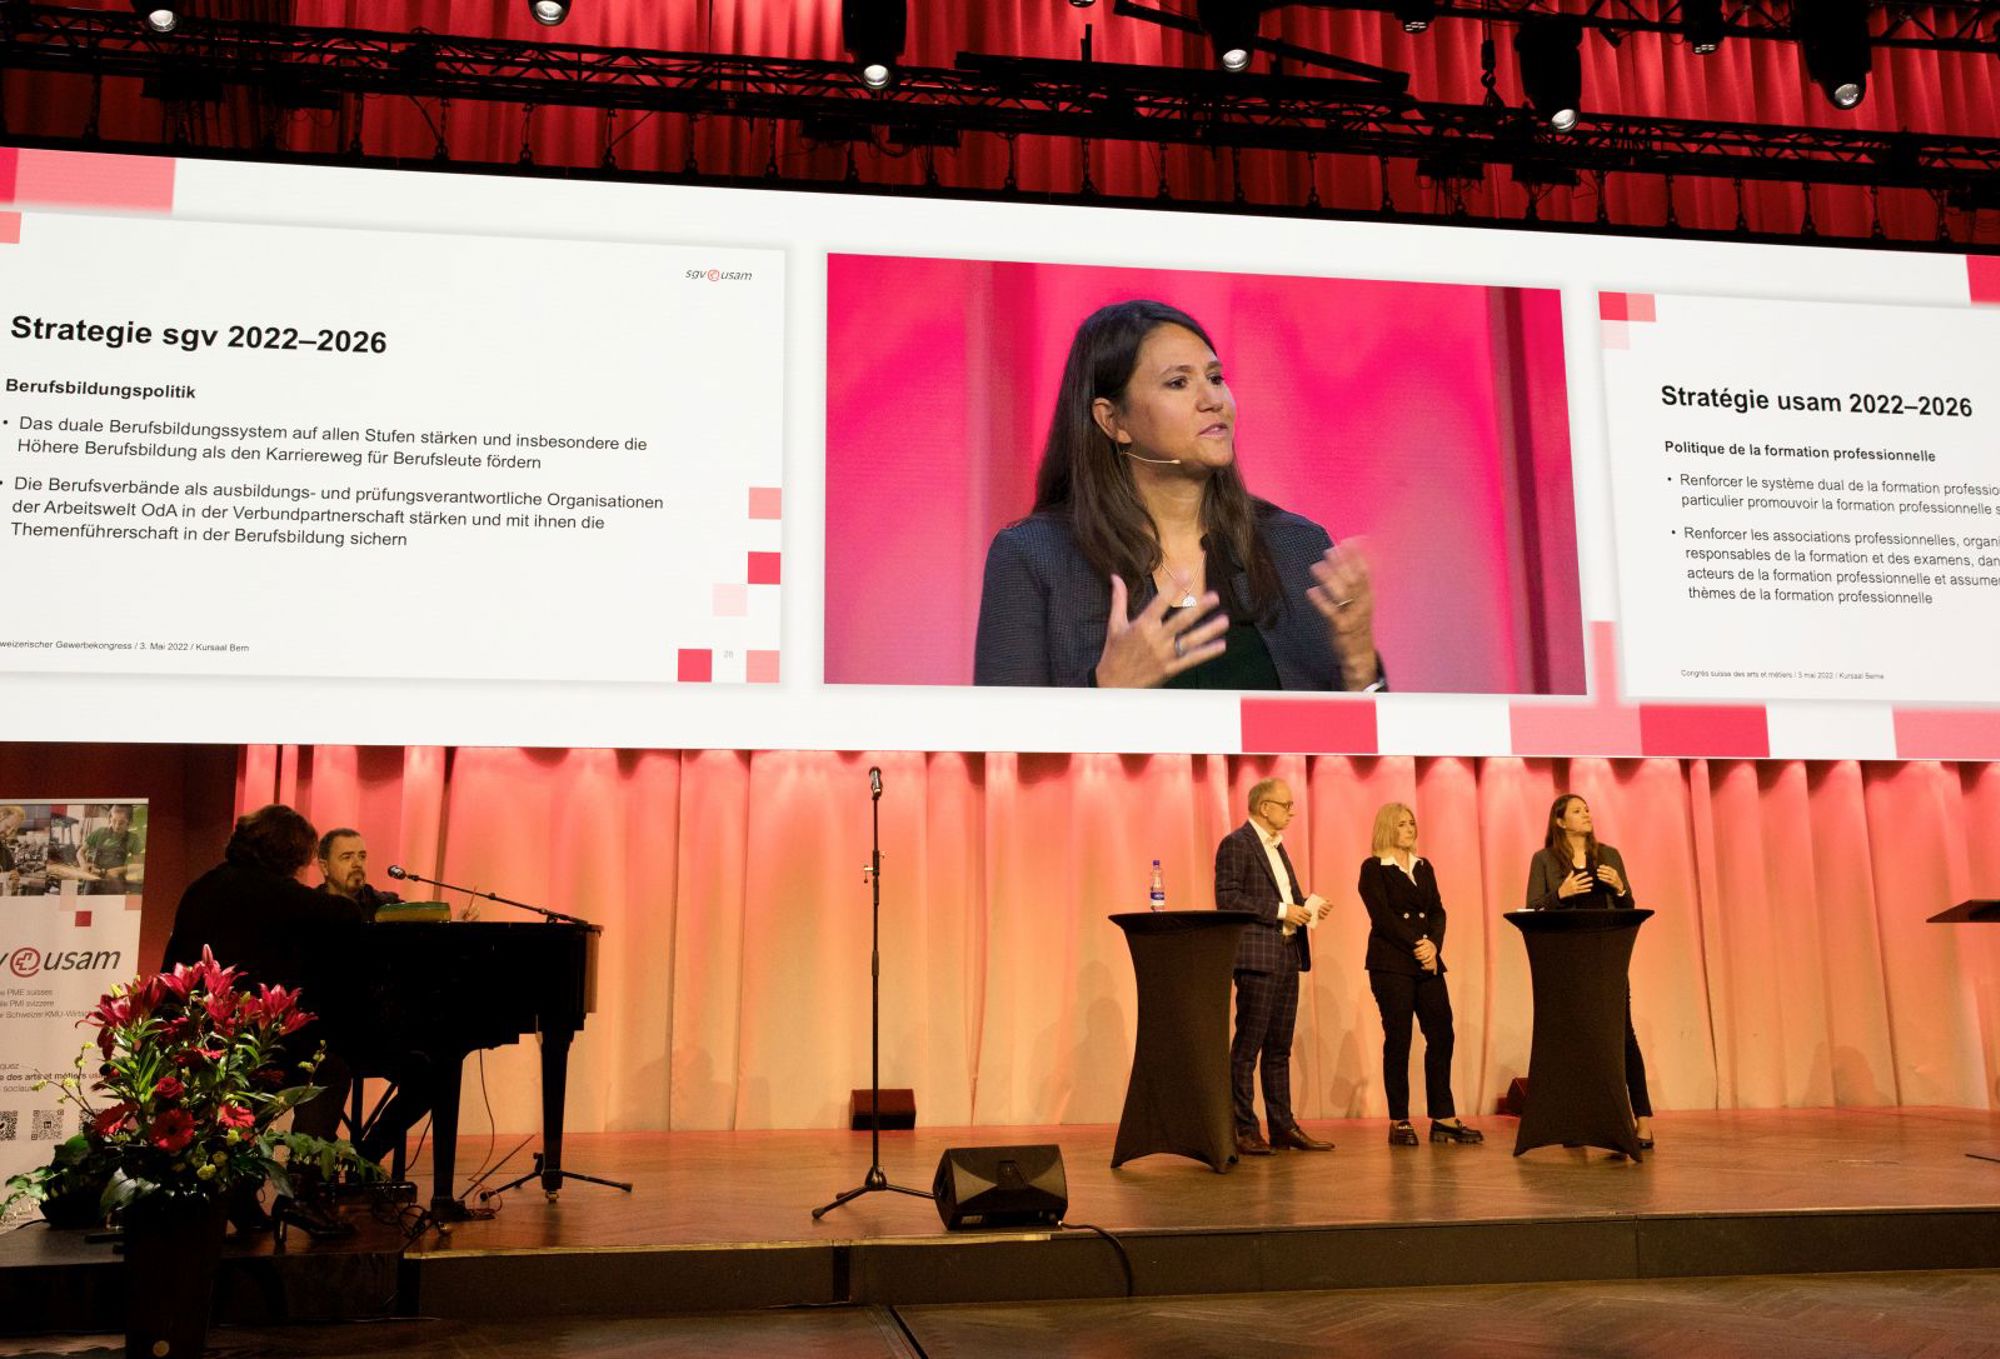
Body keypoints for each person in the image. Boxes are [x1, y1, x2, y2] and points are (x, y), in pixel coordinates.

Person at [973, 299, 1385, 691]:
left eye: (1216, 378)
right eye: (1178, 383)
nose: (1213, 401)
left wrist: (1359, 663)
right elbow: (998, 737)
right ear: (1113, 420)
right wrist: (1106, 691)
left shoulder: (1296, 547)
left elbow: (1361, 740)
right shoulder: (1033, 557)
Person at [1524, 793, 1654, 1149]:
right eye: (1577, 810)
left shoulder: (1609, 855)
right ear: (1560, 821)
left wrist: (1620, 888)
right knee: (1574, 1040)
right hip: (1565, 961)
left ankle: (1642, 1120)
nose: (1586, 814)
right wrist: (1560, 894)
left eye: (1587, 809)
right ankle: (1579, 1122)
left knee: (1622, 1036)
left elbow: (1628, 907)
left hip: (1606, 957)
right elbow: (1532, 908)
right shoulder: (1544, 859)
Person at [1215, 777, 1332, 1154]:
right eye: (1287, 805)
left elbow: (1287, 899)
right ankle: (1244, 1128)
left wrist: (1308, 907)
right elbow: (1228, 898)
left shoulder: (1278, 847)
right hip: (1258, 958)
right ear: (1265, 807)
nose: (1292, 811)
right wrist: (1283, 910)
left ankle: (1283, 1126)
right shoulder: (1237, 843)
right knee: (1248, 1047)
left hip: (1286, 954)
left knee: (1279, 1048)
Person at [1357, 803, 1481, 1147]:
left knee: (1442, 1033)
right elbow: (1383, 917)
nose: (1410, 828)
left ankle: (1443, 1117)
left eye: (1412, 822)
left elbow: (1438, 911)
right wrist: (1418, 945)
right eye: (1401, 824)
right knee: (1399, 1038)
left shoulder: (1423, 866)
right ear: (1387, 828)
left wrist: (1434, 946)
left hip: (1427, 962)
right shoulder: (1373, 868)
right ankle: (1399, 1119)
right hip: (1391, 962)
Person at [315, 828, 402, 920]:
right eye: (347, 857)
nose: (358, 864)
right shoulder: (310, 907)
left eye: (362, 856)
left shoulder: (385, 906)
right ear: (324, 867)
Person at [79, 803, 142, 896]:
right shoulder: (99, 832)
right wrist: (83, 864)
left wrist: (119, 870)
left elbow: (139, 865)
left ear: (130, 822)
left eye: (121, 822)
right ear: (110, 818)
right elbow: (80, 852)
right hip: (94, 880)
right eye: (114, 821)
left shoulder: (133, 839)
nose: (116, 826)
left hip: (116, 883)